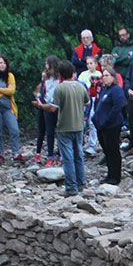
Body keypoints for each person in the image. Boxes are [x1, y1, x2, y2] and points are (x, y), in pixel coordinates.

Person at [52, 61, 90, 197]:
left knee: (68, 158)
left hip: (64, 127)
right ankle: (81, 184)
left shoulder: (60, 88)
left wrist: (41, 105)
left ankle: (71, 187)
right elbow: (88, 102)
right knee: (78, 155)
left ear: (61, 74)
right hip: (79, 126)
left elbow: (54, 107)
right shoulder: (81, 87)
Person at [92, 69, 126, 185]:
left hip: (111, 126)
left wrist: (107, 121)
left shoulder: (116, 90)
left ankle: (115, 176)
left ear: (113, 77)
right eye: (103, 75)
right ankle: (110, 174)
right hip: (101, 126)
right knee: (107, 151)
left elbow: (118, 106)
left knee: (113, 151)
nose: (104, 78)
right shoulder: (104, 89)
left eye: (107, 75)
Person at [0, 55, 25, 162]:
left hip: (8, 107)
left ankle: (16, 153)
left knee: (14, 130)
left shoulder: (10, 76)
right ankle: (0, 154)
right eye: (0, 63)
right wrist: (4, 91)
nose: (2, 65)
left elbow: (12, 91)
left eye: (4, 63)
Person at [32, 56, 62, 166]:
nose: (46, 66)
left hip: (58, 107)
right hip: (46, 106)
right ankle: (50, 155)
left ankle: (60, 154)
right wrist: (39, 99)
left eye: (47, 64)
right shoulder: (45, 78)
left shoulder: (61, 78)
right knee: (49, 131)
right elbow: (42, 90)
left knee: (60, 131)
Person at [77, 55, 102, 155]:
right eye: (87, 63)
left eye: (91, 63)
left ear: (96, 64)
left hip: (94, 98)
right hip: (84, 99)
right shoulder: (83, 74)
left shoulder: (99, 74)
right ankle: (80, 143)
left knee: (92, 120)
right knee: (82, 121)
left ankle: (93, 143)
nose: (89, 65)